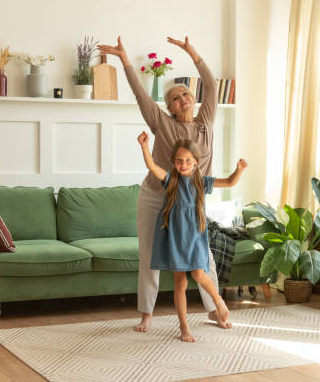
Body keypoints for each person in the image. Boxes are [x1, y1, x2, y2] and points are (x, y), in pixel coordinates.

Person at [98, 36, 230, 331]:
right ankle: (147, 313)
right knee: (150, 254)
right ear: (169, 107)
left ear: (193, 99)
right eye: (175, 97)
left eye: (185, 94)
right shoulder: (162, 123)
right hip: (156, 196)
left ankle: (214, 310)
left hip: (190, 200)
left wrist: (193, 54)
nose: (182, 99)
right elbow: (140, 95)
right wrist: (125, 60)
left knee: (202, 255)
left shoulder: (206, 121)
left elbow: (210, 84)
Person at [137, 132, 247, 341]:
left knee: (198, 273)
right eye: (179, 160)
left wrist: (239, 169)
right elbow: (152, 166)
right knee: (180, 284)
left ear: (196, 162)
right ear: (174, 162)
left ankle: (218, 301)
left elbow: (231, 182)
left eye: (188, 160)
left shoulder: (202, 182)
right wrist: (144, 146)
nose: (183, 164)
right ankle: (184, 328)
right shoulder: (170, 180)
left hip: (195, 237)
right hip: (175, 237)